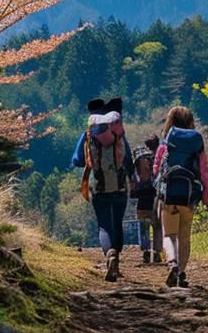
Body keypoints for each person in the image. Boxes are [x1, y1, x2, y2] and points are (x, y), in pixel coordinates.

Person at [72, 97, 135, 282]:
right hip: (120, 185)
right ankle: (117, 259)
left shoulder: (88, 134)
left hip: (98, 186)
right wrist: (132, 178)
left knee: (104, 225)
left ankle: (110, 255)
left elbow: (77, 160)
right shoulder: (118, 133)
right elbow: (128, 158)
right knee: (117, 223)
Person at [152, 106, 208, 288]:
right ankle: (180, 273)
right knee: (184, 237)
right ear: (190, 122)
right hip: (188, 198)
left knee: (169, 235)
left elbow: (156, 169)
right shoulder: (196, 143)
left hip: (168, 196)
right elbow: (203, 174)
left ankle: (172, 262)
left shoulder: (166, 143)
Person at [132, 135, 161, 263]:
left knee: (143, 225)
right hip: (155, 196)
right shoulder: (160, 158)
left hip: (141, 196)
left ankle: (145, 250)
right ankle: (156, 251)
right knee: (157, 226)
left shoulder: (139, 158)